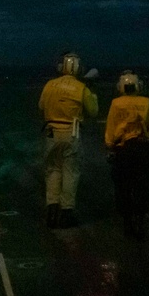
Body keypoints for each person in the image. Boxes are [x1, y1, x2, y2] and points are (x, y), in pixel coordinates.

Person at [38, 51, 98, 228]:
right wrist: (92, 93)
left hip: (51, 133)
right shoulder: (81, 88)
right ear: (78, 68)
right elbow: (93, 112)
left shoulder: (49, 85)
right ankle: (66, 213)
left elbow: (41, 106)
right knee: (71, 173)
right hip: (71, 133)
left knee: (53, 171)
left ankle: (51, 211)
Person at [104, 70, 149, 239]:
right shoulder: (146, 102)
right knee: (143, 187)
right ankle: (140, 224)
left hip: (123, 150)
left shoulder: (116, 103)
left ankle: (127, 225)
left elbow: (110, 131)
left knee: (123, 188)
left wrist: (111, 147)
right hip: (142, 149)